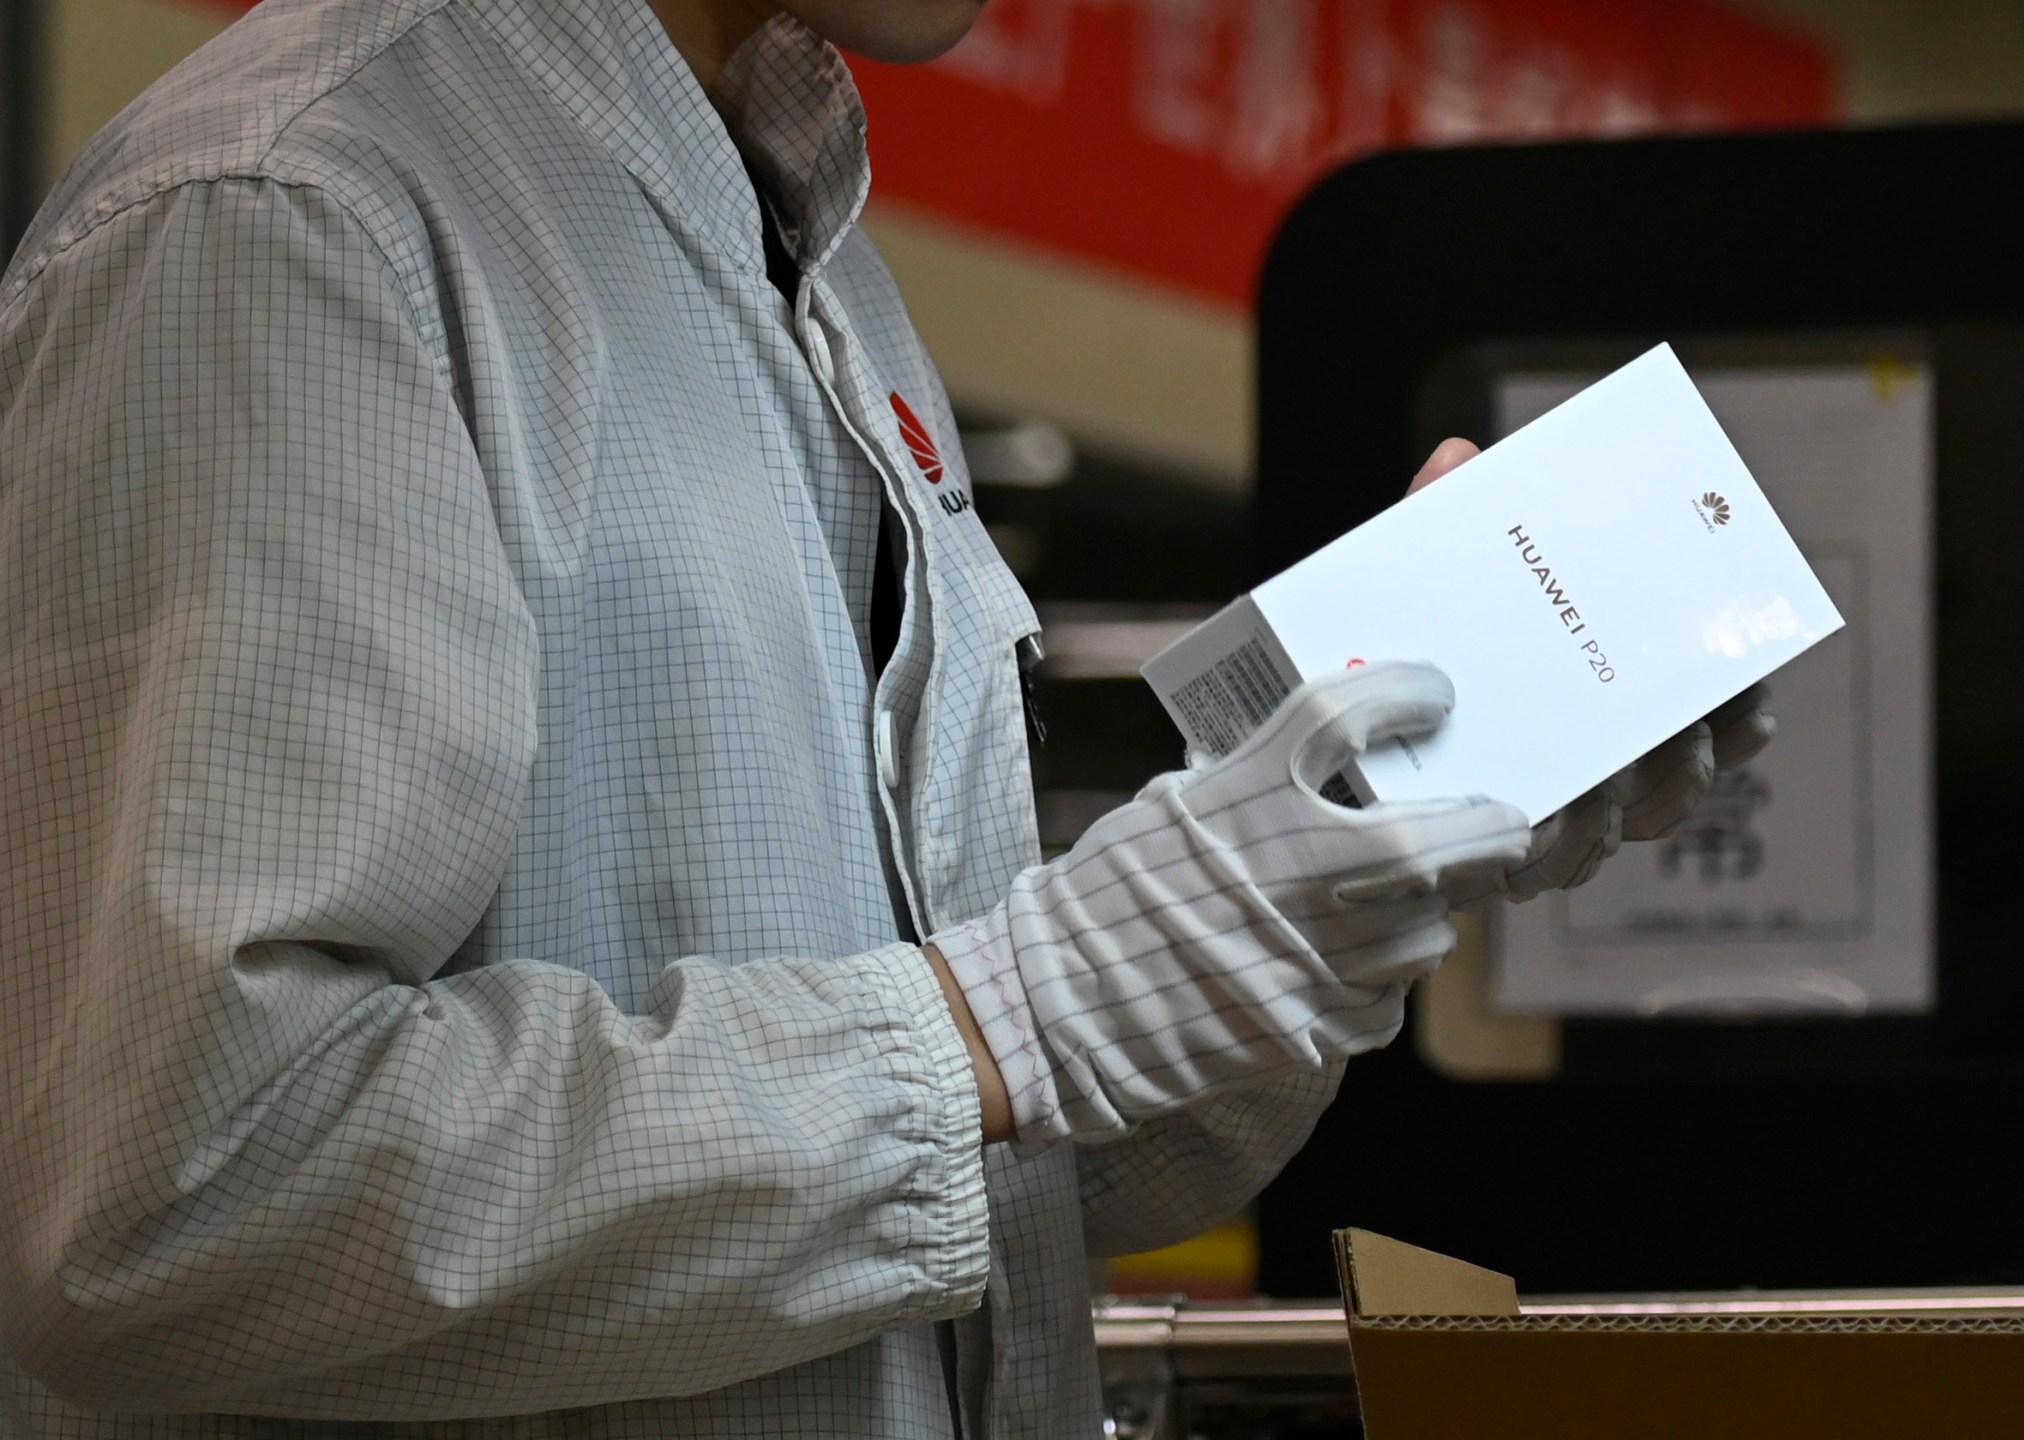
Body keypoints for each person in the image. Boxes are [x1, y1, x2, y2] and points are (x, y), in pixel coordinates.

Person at [0, 0, 1774, 1433]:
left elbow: (985, 1184)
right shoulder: (286, 214)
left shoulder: (813, 261)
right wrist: (1021, 1011)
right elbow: (178, 1202)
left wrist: (1322, 886)